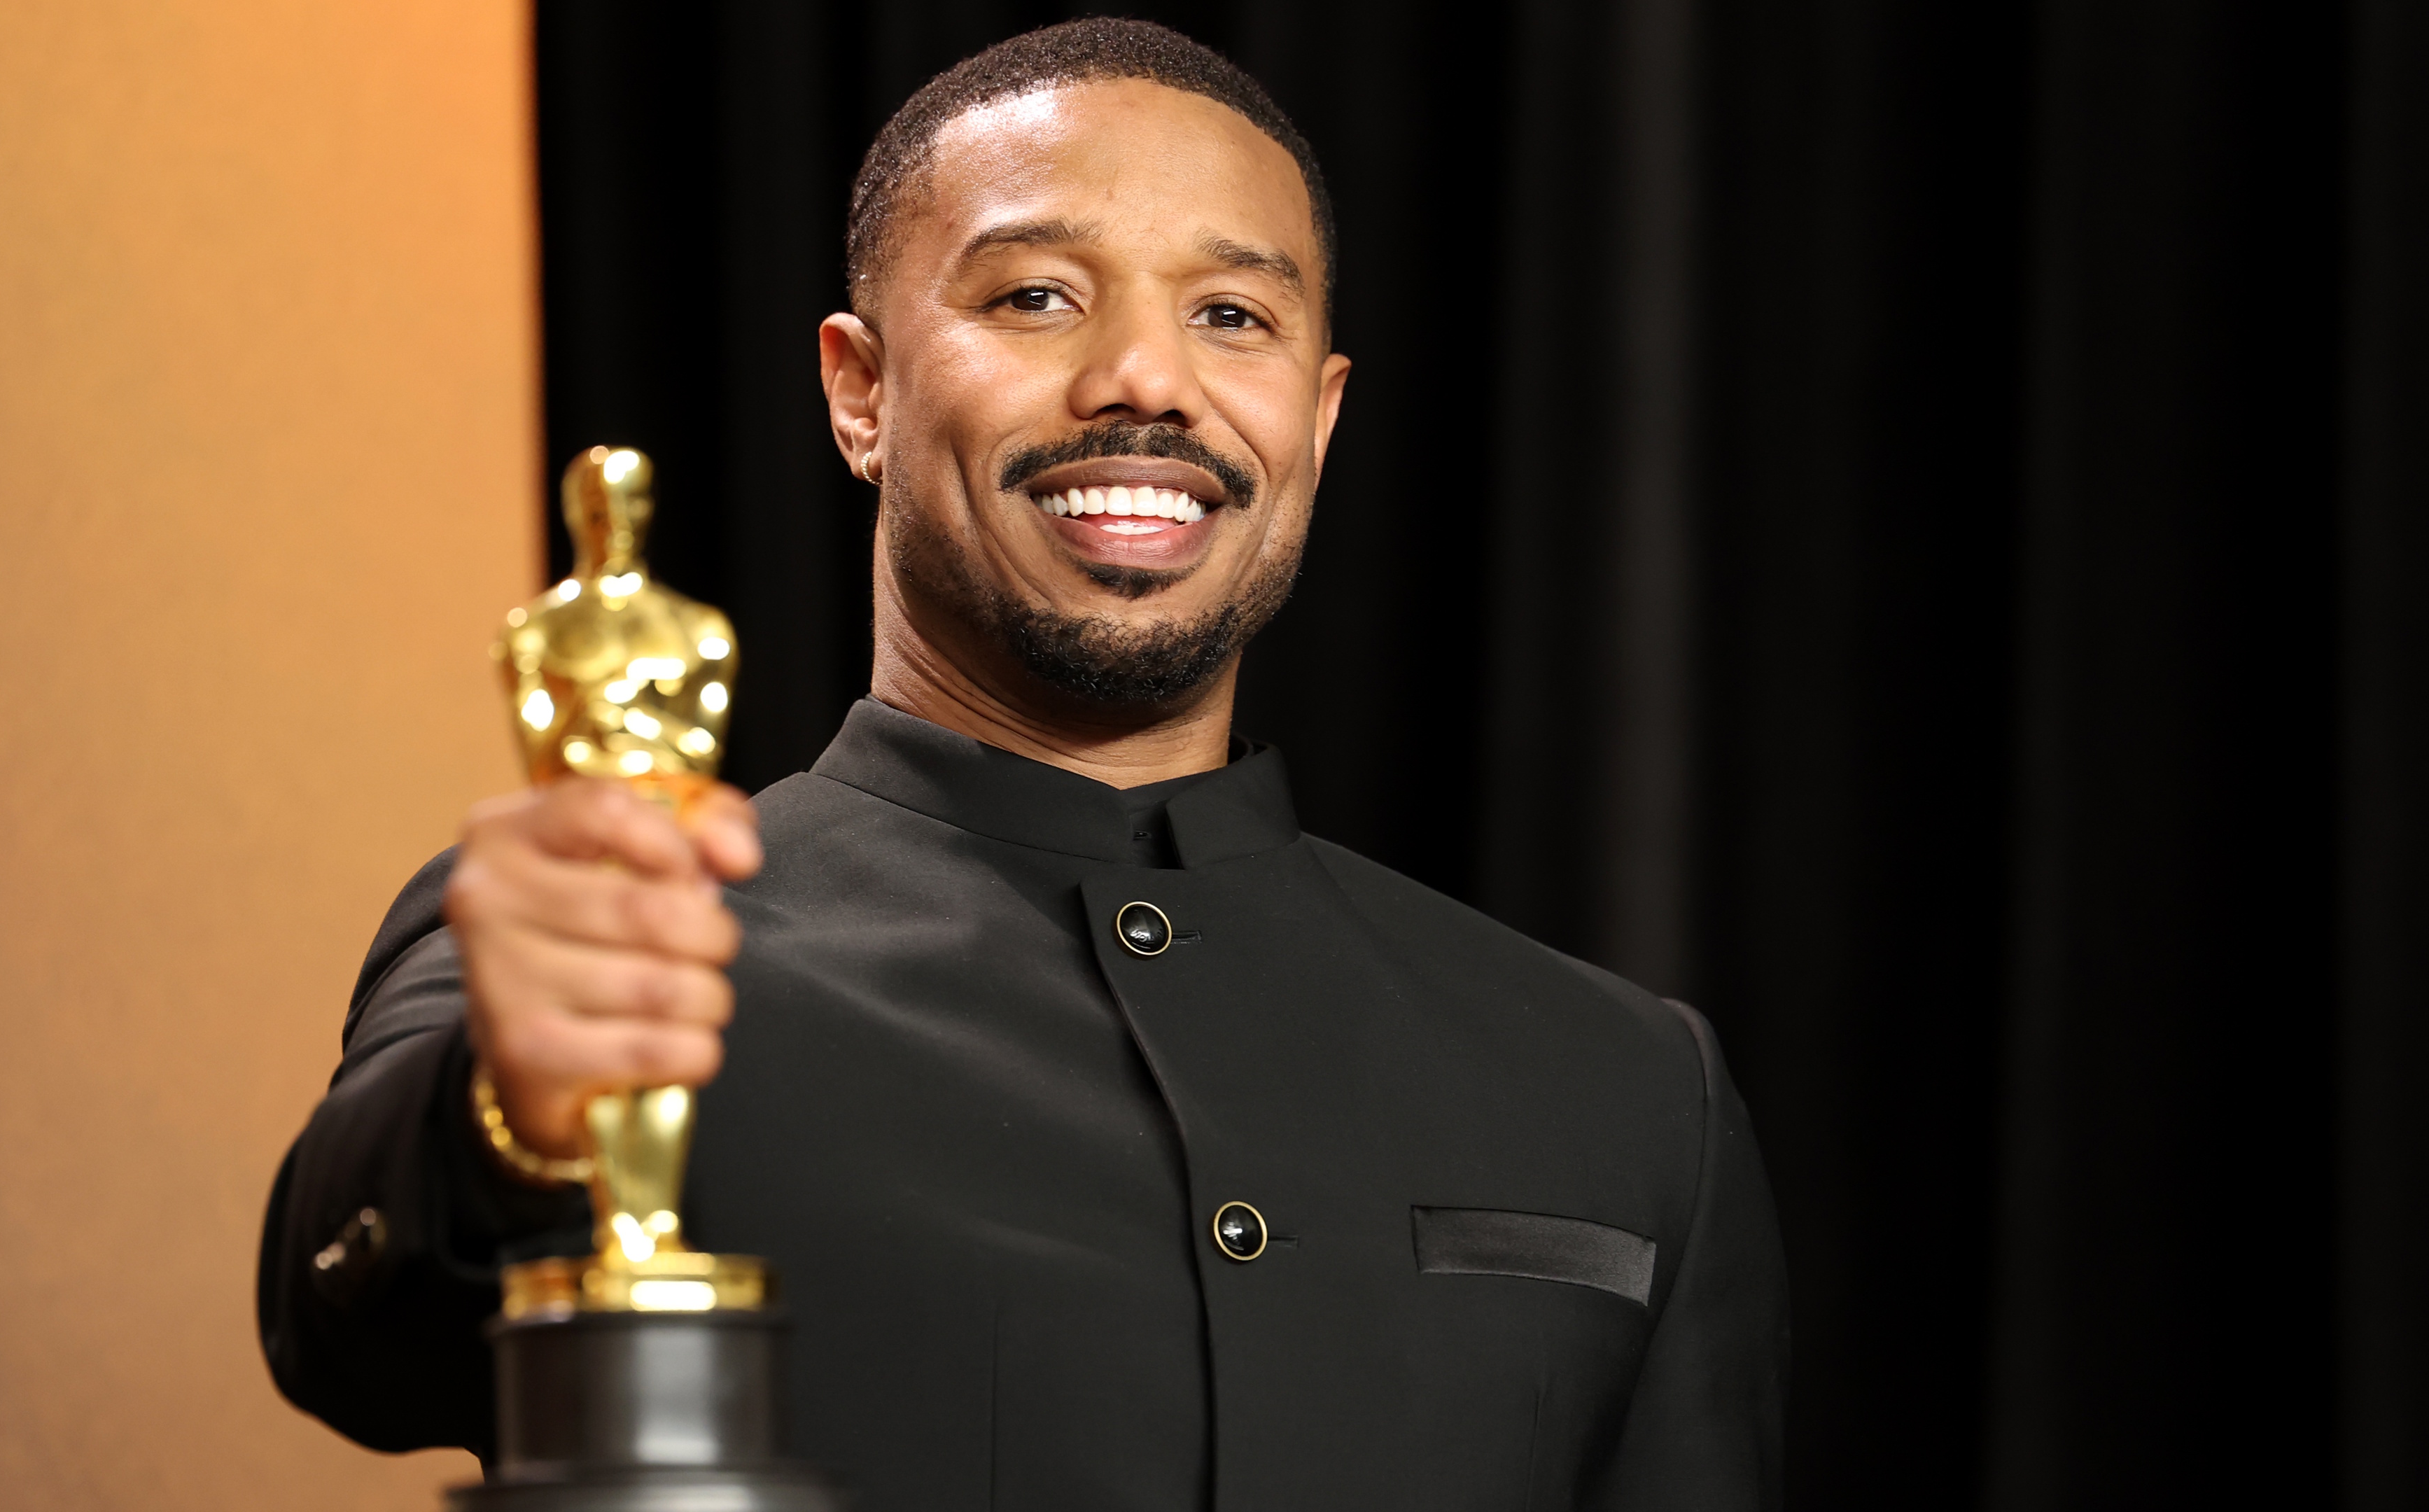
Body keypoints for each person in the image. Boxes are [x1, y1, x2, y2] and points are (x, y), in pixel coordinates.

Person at [258, 18, 1787, 1510]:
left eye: (1233, 317)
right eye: (1039, 297)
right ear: (861, 391)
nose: (1144, 379)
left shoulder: (1632, 1089)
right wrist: (508, 1110)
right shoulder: (601, 952)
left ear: (1317, 420)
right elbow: (347, 1331)